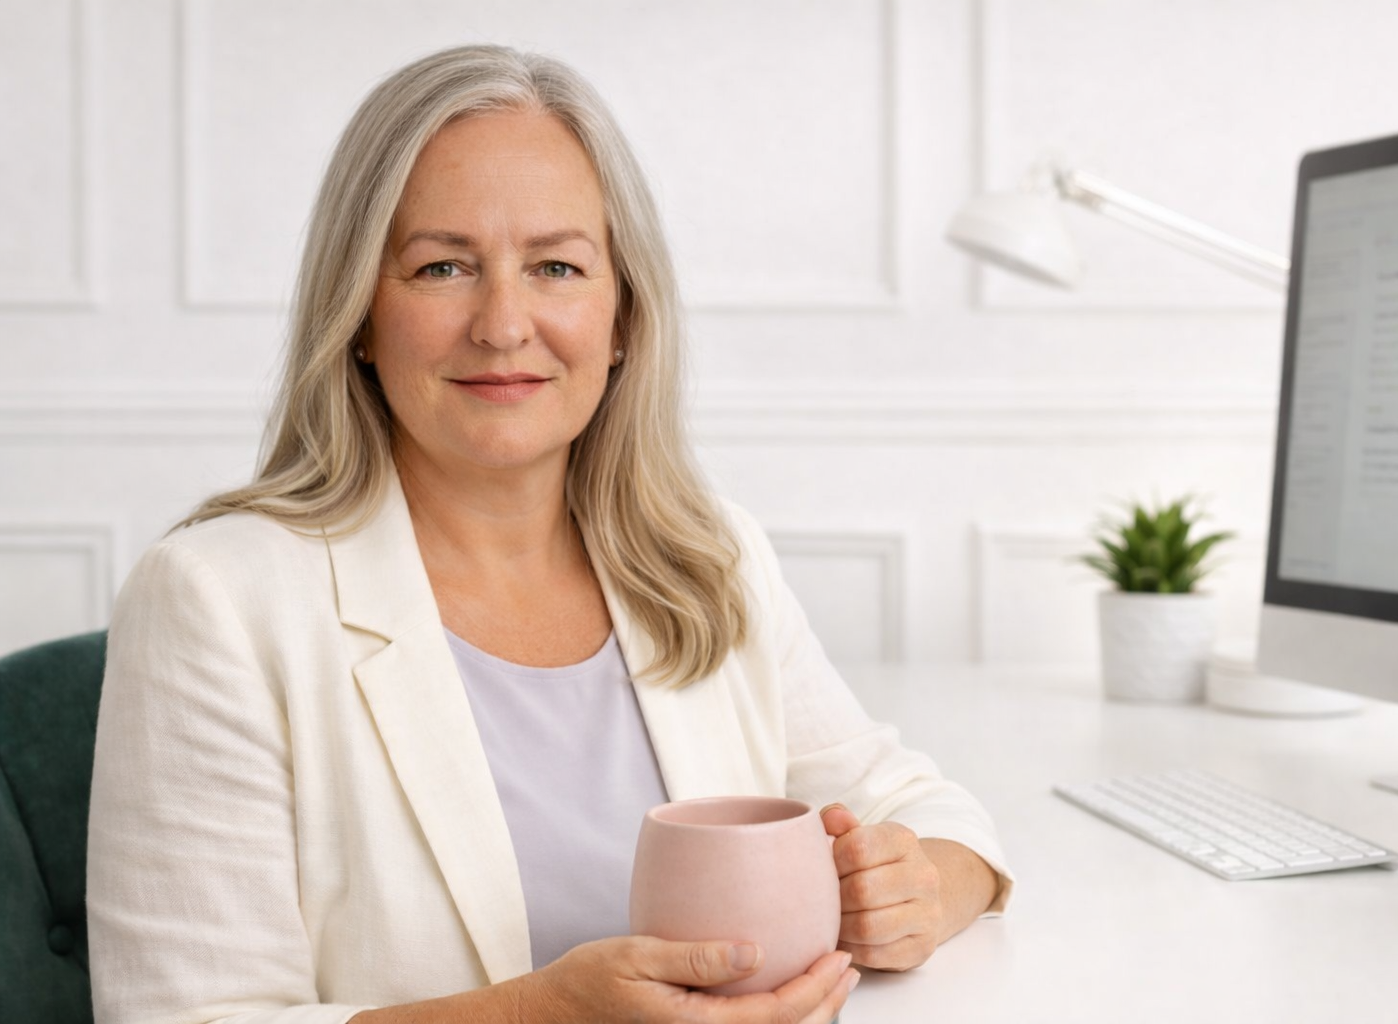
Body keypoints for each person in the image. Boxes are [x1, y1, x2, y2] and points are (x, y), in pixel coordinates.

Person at [86, 43, 1012, 1024]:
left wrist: (927, 886)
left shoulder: (708, 558)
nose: (503, 322)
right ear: (359, 310)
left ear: (621, 319)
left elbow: (932, 810)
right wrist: (545, 1013)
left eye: (556, 266)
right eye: (442, 266)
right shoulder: (214, 597)